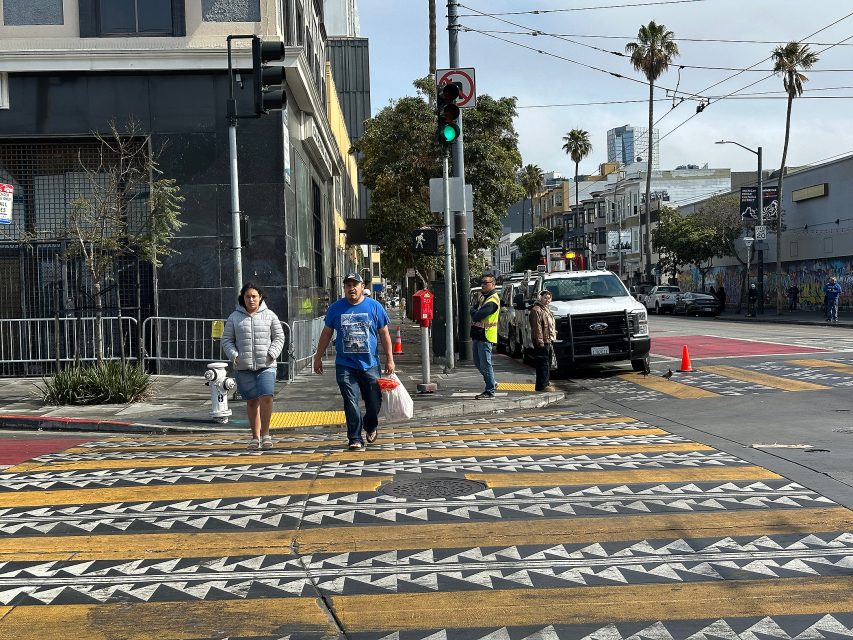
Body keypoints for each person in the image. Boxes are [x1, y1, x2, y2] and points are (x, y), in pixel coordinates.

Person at [313, 272, 395, 450]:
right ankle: (355, 437)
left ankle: (371, 425)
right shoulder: (336, 308)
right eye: (348, 285)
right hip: (345, 365)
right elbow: (327, 333)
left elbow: (384, 334)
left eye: (354, 285)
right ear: (344, 288)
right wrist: (318, 356)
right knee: (350, 401)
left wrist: (390, 358)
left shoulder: (375, 307)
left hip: (370, 364)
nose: (351, 288)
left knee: (374, 402)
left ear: (361, 287)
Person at [222, 282, 285, 450]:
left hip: (267, 365)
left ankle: (266, 434)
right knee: (251, 401)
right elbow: (227, 340)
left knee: (267, 396)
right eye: (248, 296)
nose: (251, 299)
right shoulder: (234, 317)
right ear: (243, 298)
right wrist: (235, 356)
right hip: (244, 367)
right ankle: (255, 437)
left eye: (254, 296)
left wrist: (272, 353)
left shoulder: (270, 315)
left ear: (260, 297)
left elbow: (279, 337)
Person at [470, 274, 501, 399]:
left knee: (486, 364)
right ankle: (492, 382)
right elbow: (475, 311)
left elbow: (477, 315)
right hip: (478, 335)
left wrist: (472, 311)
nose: (482, 285)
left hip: (486, 336)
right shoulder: (484, 297)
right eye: (481, 282)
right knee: (478, 363)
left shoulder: (492, 301)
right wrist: (474, 311)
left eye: (485, 283)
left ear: (493, 284)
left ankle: (490, 391)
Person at [529, 290, 556, 392]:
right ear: (540, 298)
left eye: (549, 298)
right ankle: (542, 386)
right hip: (542, 341)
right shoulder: (536, 310)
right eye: (545, 297)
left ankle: (545, 384)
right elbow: (537, 328)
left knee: (546, 363)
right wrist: (540, 342)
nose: (547, 300)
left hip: (548, 340)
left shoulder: (546, 309)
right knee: (543, 364)